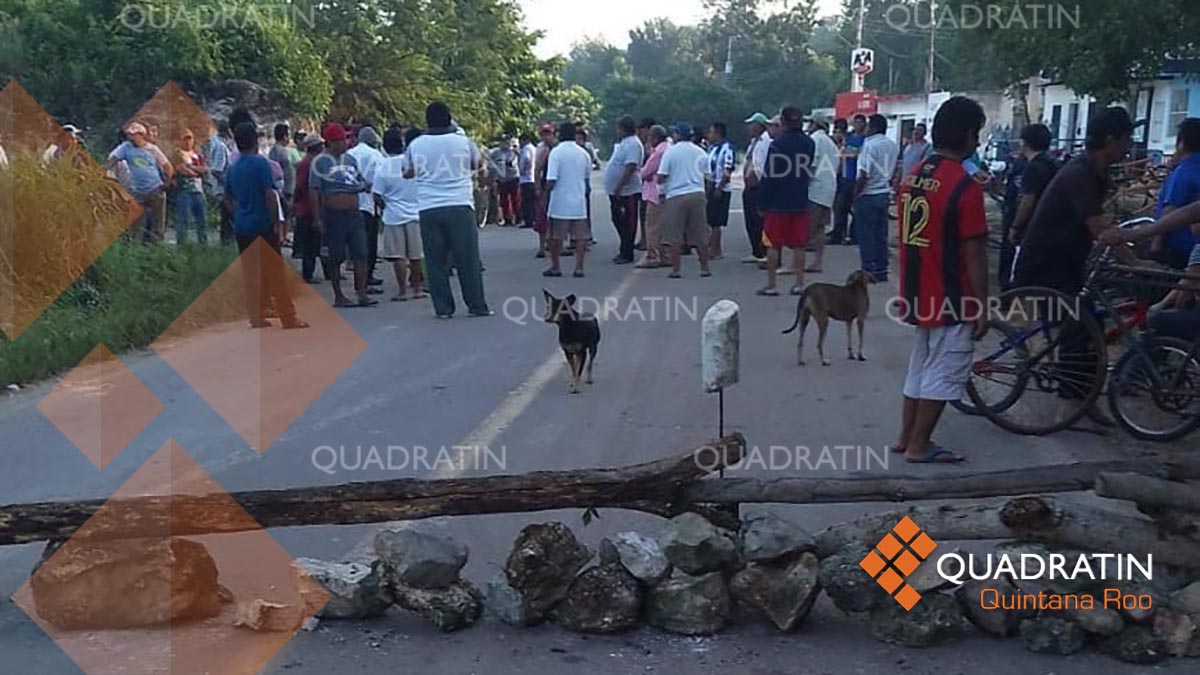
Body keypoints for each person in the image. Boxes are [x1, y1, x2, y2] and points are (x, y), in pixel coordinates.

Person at [1014, 107, 1145, 419]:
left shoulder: (1097, 172)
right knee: (1078, 328)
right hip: (1045, 263)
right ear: (1112, 140)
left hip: (1068, 261)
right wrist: (1135, 264)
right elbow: (1100, 230)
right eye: (1127, 139)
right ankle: (1070, 405)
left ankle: (1082, 400)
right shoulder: (1080, 174)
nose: (1130, 146)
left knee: (1091, 328)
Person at [891, 96, 990, 464]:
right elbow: (974, 251)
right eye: (976, 134)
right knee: (945, 368)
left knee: (921, 364)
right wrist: (981, 304)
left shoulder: (915, 175)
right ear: (966, 135)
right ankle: (920, 445)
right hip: (951, 292)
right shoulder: (964, 187)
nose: (977, 142)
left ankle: (905, 437)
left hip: (917, 289)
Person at [1099, 118, 1200, 310]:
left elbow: (1171, 213)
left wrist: (1155, 245)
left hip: (1177, 247)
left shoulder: (1184, 172)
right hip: (1191, 249)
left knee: (1133, 268)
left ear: (1182, 143)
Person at [405, 101, 492, 318]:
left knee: (435, 261)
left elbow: (407, 172)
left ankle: (443, 308)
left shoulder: (416, 144)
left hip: (429, 208)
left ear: (427, 121)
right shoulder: (463, 142)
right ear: (449, 118)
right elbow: (478, 167)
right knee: (467, 259)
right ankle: (476, 305)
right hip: (460, 206)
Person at [222, 121, 307, 330]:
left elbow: (226, 198)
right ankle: (288, 316)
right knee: (275, 272)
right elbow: (270, 194)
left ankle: (256, 316)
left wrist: (239, 213)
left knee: (251, 273)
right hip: (261, 224)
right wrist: (276, 223)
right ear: (255, 141)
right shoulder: (261, 164)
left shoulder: (233, 168)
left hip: (242, 227)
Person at [311, 122, 375, 308]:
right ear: (330, 142)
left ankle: (361, 293)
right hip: (333, 214)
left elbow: (360, 181)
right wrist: (317, 219)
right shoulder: (320, 162)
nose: (344, 143)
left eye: (345, 139)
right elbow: (314, 191)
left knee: (361, 253)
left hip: (353, 213)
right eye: (340, 140)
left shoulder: (350, 160)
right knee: (336, 256)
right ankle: (339, 295)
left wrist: (365, 186)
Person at [757, 106, 815, 296]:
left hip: (778, 202)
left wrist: (762, 202)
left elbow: (769, 175)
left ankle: (772, 285)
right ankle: (799, 284)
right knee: (799, 244)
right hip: (799, 199)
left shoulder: (777, 144)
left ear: (783, 122)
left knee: (773, 244)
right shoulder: (809, 143)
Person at [373, 127, 426, 302]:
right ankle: (418, 288)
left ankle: (402, 291)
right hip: (415, 213)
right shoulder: (413, 162)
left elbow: (377, 195)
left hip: (393, 215)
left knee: (398, 257)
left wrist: (385, 206)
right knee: (416, 255)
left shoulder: (383, 166)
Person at [1003, 123, 1057, 288]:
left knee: (1021, 272)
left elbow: (1027, 201)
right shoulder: (1052, 163)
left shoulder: (1033, 167)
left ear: (1024, 142)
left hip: (1030, 227)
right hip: (1048, 225)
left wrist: (1015, 226)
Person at [657, 122, 713, 278]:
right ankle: (704, 267)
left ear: (677, 135)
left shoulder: (671, 152)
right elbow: (708, 176)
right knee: (700, 234)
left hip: (676, 195)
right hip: (697, 193)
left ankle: (676, 269)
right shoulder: (700, 152)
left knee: (674, 235)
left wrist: (660, 190)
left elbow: (661, 176)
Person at [853, 114, 900, 282]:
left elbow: (863, 174)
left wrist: (855, 194)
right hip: (884, 192)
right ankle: (882, 270)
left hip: (868, 194)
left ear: (872, 127)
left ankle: (868, 270)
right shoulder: (892, 145)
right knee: (881, 234)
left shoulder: (869, 145)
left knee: (866, 235)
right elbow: (895, 170)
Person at [106, 122, 170, 244]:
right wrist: (104, 170)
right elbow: (112, 159)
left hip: (155, 187)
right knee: (137, 223)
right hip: (137, 190)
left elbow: (167, 166)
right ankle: (136, 247)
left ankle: (155, 247)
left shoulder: (152, 149)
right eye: (130, 134)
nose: (131, 137)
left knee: (157, 221)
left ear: (141, 135)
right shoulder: (126, 147)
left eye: (134, 135)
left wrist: (167, 182)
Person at [543, 122, 593, 278]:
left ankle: (556, 266)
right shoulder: (583, 153)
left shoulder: (556, 153)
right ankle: (579, 267)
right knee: (580, 237)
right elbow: (586, 176)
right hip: (578, 200)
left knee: (555, 237)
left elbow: (551, 179)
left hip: (559, 201)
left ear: (559, 134)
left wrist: (544, 196)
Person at [348, 126, 385, 291]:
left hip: (352, 202)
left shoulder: (349, 154)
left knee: (355, 242)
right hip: (369, 203)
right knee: (370, 242)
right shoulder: (376, 155)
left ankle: (358, 276)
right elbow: (381, 177)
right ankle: (367, 276)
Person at [604, 115, 644, 265]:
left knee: (628, 221)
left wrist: (619, 186)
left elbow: (630, 167)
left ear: (624, 128)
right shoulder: (624, 143)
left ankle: (627, 252)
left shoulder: (633, 144)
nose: (617, 131)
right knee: (617, 219)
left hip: (628, 191)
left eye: (619, 128)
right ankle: (624, 247)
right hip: (618, 190)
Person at [806, 113, 839, 274]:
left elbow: (812, 163)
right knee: (820, 228)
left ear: (814, 124)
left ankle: (797, 262)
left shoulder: (815, 140)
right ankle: (817, 262)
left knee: (808, 228)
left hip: (816, 188)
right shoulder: (831, 143)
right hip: (829, 188)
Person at [292, 133, 326, 283]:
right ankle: (308, 274)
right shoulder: (310, 164)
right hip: (309, 207)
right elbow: (304, 187)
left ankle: (314, 272)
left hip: (308, 206)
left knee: (314, 242)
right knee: (311, 244)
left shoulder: (309, 162)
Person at [637, 124, 671, 269]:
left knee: (652, 227)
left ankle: (653, 255)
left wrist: (645, 172)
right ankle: (664, 255)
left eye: (650, 137)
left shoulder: (659, 152)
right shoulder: (667, 148)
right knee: (662, 227)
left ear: (656, 137)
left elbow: (645, 172)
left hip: (655, 194)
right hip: (664, 193)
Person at [741, 113, 772, 264]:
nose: (749, 128)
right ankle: (756, 250)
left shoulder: (765, 141)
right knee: (750, 220)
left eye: (751, 124)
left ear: (759, 126)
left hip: (758, 186)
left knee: (758, 220)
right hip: (749, 185)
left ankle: (763, 251)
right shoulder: (754, 142)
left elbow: (761, 166)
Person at [831, 115, 865, 246]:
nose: (857, 125)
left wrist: (850, 152)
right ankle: (839, 234)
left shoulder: (865, 139)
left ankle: (853, 235)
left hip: (856, 177)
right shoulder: (849, 138)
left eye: (860, 122)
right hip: (845, 176)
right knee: (840, 208)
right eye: (855, 122)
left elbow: (857, 154)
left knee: (856, 208)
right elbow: (842, 153)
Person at [705, 121, 735, 260]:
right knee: (711, 220)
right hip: (711, 186)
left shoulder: (727, 148)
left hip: (720, 188)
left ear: (718, 133)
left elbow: (728, 168)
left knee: (716, 221)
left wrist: (720, 187)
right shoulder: (711, 148)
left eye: (711, 132)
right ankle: (713, 247)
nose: (709, 135)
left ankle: (715, 249)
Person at [173, 129, 208, 244]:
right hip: (184, 191)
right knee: (183, 219)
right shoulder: (177, 154)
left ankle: (203, 243)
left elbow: (204, 169)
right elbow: (183, 170)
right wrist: (195, 170)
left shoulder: (198, 155)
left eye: (190, 138)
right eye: (185, 138)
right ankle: (181, 244)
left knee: (202, 220)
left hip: (199, 191)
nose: (188, 141)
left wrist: (191, 167)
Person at [203, 120, 234, 243]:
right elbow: (216, 170)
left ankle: (227, 241)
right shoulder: (220, 147)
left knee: (227, 218)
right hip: (223, 189)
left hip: (223, 188)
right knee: (227, 218)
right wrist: (228, 185)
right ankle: (227, 242)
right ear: (228, 131)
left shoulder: (221, 145)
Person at [533, 123, 557, 258]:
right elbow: (537, 169)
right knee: (543, 217)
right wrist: (537, 187)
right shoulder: (542, 149)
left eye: (548, 134)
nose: (546, 136)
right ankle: (542, 246)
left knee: (556, 217)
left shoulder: (557, 148)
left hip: (557, 186)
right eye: (543, 134)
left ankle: (555, 243)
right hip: (545, 186)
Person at [492, 135, 521, 226]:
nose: (505, 144)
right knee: (503, 200)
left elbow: (517, 162)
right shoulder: (496, 152)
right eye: (503, 141)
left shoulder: (514, 152)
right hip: (501, 179)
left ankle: (518, 218)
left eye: (507, 141)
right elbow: (490, 163)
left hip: (513, 178)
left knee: (515, 199)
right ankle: (507, 219)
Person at [518, 133, 537, 228]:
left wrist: (523, 171)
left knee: (526, 201)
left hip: (526, 179)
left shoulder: (526, 149)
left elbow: (527, 159)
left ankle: (528, 221)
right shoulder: (534, 148)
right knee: (532, 201)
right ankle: (533, 219)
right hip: (533, 178)